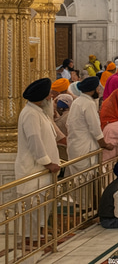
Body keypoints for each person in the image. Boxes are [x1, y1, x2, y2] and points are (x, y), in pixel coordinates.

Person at [16, 78, 61, 243]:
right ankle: (31, 240)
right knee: (33, 207)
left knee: (41, 205)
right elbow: (34, 141)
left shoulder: (39, 112)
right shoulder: (29, 114)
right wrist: (48, 163)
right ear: (42, 96)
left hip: (42, 169)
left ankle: (39, 234)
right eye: (49, 93)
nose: (51, 97)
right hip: (33, 168)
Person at [67, 77, 113, 176]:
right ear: (93, 90)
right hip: (85, 148)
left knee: (77, 181)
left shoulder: (77, 101)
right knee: (86, 181)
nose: (99, 90)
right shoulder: (88, 104)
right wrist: (104, 144)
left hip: (74, 146)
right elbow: (95, 128)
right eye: (98, 88)